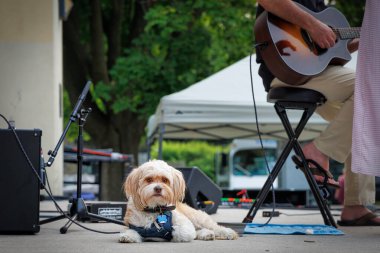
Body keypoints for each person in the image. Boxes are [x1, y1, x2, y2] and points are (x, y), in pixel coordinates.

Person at [256, 0, 380, 226]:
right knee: (373, 91)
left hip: (317, 71)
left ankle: (355, 206)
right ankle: (318, 151)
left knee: (366, 119)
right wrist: (314, 26)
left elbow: (328, 46)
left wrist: (366, 38)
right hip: (286, 68)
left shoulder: (320, 6)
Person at [352, 0, 380, 177]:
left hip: (320, 66)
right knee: (364, 101)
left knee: (363, 103)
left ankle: (357, 201)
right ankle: (322, 149)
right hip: (290, 66)